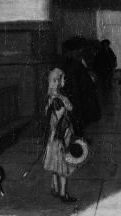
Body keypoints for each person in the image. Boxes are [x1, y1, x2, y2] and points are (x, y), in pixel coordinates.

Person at [43, 68, 77, 203]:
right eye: (63, 79)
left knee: (56, 165)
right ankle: (63, 194)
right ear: (57, 81)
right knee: (63, 167)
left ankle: (55, 187)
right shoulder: (57, 100)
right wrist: (51, 140)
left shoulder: (53, 97)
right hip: (58, 138)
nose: (64, 81)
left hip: (56, 138)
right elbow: (55, 122)